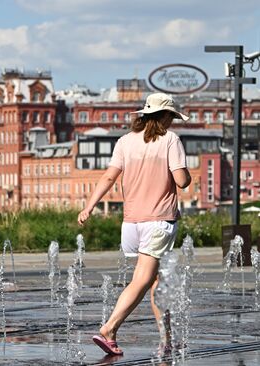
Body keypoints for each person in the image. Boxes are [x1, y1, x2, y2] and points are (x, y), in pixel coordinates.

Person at [77, 92, 192, 356]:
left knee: (155, 282)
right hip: (158, 221)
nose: (173, 122)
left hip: (131, 223)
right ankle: (110, 328)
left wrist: (89, 206)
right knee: (142, 280)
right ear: (164, 117)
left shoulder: (125, 142)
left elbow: (108, 177)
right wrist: (186, 174)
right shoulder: (170, 140)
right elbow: (182, 181)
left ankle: (167, 340)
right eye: (172, 117)